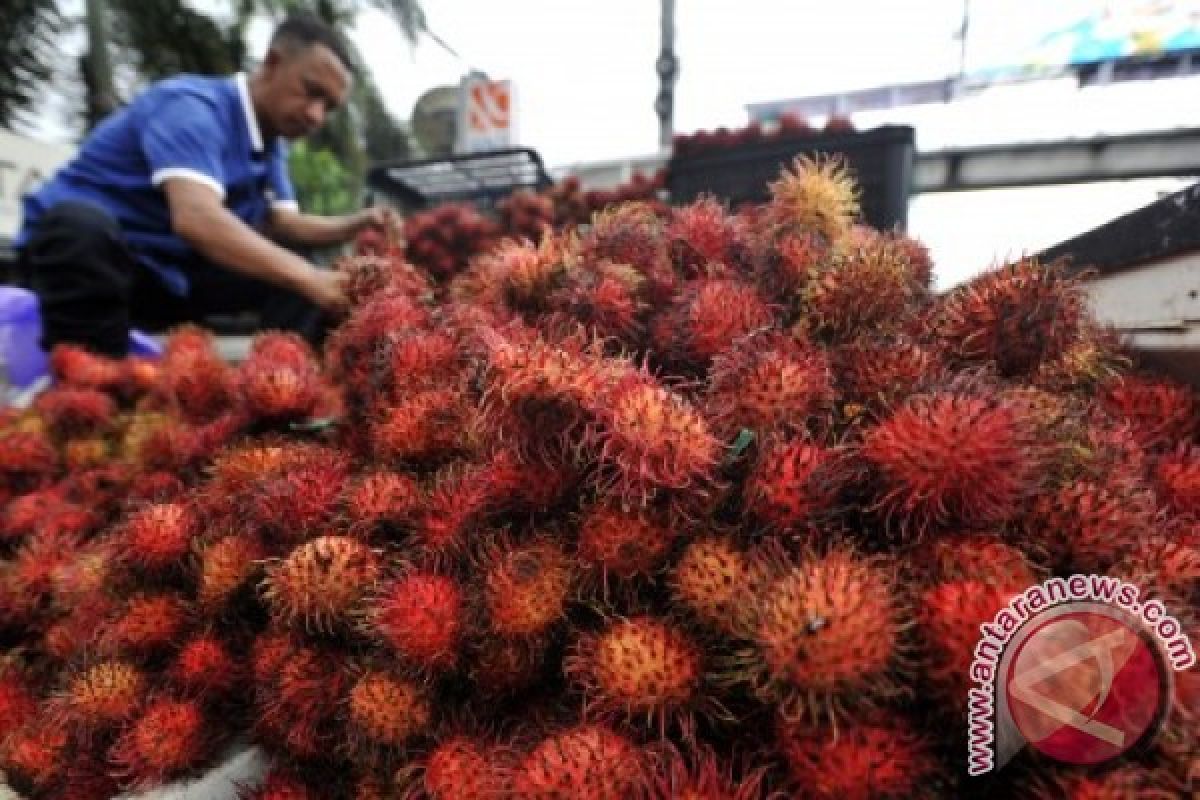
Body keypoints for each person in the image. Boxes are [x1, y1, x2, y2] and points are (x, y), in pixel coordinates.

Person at [14, 12, 392, 357]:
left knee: (294, 275)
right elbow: (196, 217)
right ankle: (91, 389)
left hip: (165, 277)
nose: (315, 115)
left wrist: (357, 222)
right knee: (80, 227)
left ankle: (283, 397)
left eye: (328, 106)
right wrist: (313, 280)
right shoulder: (192, 107)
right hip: (82, 268)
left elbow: (285, 224)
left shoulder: (271, 140)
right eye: (312, 92)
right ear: (274, 64)